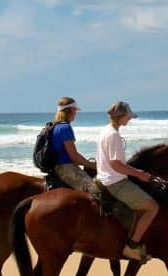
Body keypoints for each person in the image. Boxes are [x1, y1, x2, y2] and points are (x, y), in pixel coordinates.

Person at [96, 101, 159, 262]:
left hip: (103, 178)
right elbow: (116, 164)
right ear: (121, 116)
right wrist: (139, 174)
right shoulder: (114, 135)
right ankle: (132, 247)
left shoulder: (106, 131)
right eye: (128, 117)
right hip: (115, 183)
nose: (129, 119)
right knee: (152, 207)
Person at [50, 96, 95, 192]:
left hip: (56, 167)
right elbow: (74, 156)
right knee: (96, 191)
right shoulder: (65, 128)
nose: (75, 113)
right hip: (66, 168)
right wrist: (92, 165)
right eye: (75, 110)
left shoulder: (54, 126)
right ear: (70, 110)